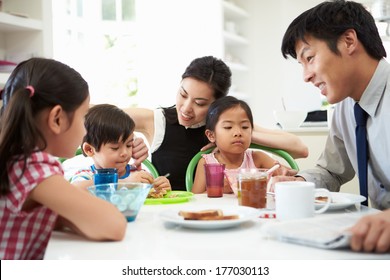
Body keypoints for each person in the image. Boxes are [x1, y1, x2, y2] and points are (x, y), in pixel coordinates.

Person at [278, 0, 390, 252]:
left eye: (310, 58)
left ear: (349, 41)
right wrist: (297, 181)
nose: (305, 75)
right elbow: (332, 172)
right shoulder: (345, 109)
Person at [0, 58, 127, 260]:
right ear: (57, 119)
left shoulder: (15, 159)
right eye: (83, 117)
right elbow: (114, 226)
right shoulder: (32, 167)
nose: (85, 129)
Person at [124, 56, 308, 190]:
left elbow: (300, 148)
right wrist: (127, 139)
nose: (186, 108)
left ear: (217, 104)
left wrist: (240, 135)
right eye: (183, 94)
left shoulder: (225, 124)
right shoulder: (157, 120)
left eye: (200, 103)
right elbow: (98, 116)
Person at [191, 96, 297, 194]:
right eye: (228, 127)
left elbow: (292, 177)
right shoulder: (207, 163)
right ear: (211, 135)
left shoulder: (258, 158)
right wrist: (220, 190)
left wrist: (283, 173)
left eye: (245, 127)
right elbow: (196, 199)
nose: (238, 132)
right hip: (222, 213)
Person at [70, 104, 171, 196]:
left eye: (129, 145)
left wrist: (160, 187)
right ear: (89, 150)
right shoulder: (86, 175)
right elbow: (73, 191)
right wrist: (124, 183)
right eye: (115, 148)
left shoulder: (137, 174)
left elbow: (151, 198)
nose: (125, 153)